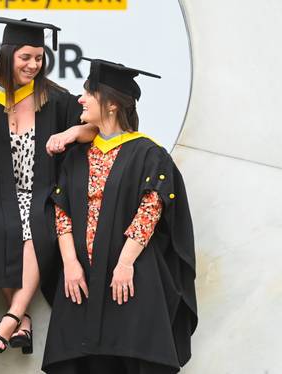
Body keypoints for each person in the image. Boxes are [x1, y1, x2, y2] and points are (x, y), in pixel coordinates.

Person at [42, 58, 197, 374]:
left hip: (132, 276)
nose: (80, 99)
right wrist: (70, 265)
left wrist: (125, 264)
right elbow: (62, 213)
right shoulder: (76, 154)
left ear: (111, 104)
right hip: (81, 279)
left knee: (133, 357)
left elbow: (149, 212)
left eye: (88, 92)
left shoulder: (148, 154)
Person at [0, 17, 97, 355]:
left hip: (43, 193)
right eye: (25, 57)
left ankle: (11, 318)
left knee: (33, 226)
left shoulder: (57, 99)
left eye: (38, 58)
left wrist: (69, 133)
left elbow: (94, 128)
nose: (33, 65)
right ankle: (23, 322)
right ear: (8, 57)